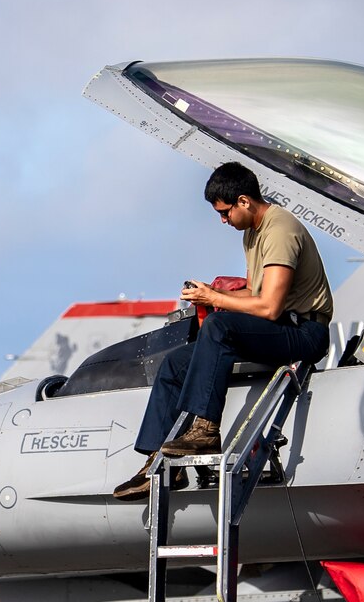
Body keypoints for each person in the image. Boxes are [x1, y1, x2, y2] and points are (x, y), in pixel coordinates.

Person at [114, 161, 334, 501]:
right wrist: (212, 293)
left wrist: (215, 299)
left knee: (217, 325)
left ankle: (206, 430)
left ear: (244, 201)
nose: (223, 220)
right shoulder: (252, 232)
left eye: (225, 212)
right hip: (278, 325)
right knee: (175, 365)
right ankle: (155, 459)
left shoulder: (279, 230)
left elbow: (270, 306)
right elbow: (256, 294)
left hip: (304, 332)